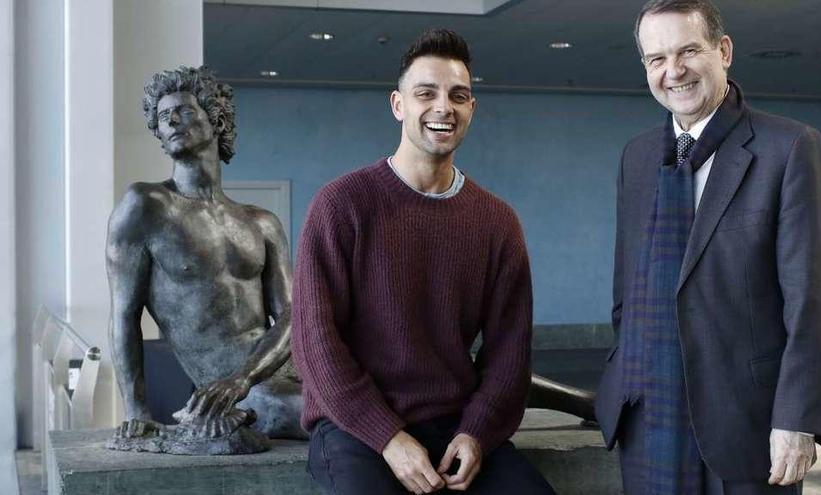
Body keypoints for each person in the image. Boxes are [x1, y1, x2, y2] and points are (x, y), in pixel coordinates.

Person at [291, 29, 556, 494]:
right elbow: (316, 344)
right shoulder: (341, 206)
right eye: (426, 93)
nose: (443, 107)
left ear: (471, 109)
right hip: (354, 430)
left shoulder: (497, 222)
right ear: (399, 105)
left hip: (455, 426)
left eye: (459, 96)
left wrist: (477, 432)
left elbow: (509, 354)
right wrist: (389, 438)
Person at [594, 1, 821, 493]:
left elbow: (813, 303)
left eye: (688, 51)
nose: (674, 71)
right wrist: (625, 376)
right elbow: (628, 287)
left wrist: (797, 419)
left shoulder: (789, 148)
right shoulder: (638, 157)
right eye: (656, 59)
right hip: (648, 418)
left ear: (723, 51)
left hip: (746, 427)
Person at [107, 66, 306, 441]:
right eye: (163, 117)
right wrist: (137, 410)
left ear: (216, 120)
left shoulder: (261, 222)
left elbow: (293, 315)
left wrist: (246, 375)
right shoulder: (146, 206)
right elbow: (123, 315)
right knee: (343, 420)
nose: (172, 122)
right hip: (242, 395)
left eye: (184, 111)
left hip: (283, 370)